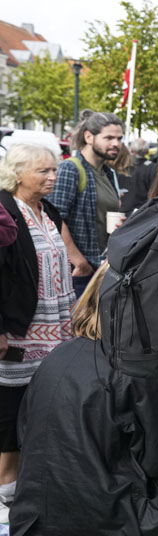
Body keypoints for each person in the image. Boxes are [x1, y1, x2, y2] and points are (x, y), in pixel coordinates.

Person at [9, 265, 158, 536]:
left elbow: (25, 434)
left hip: (36, 523)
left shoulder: (57, 355)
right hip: (112, 522)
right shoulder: (131, 367)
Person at [0, 144, 74, 509]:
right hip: (18, 332)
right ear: (17, 173)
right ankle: (5, 491)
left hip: (53, 329)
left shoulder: (47, 210)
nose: (52, 178)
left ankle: (30, 487)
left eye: (54, 171)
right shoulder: (5, 211)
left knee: (43, 405)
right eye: (43, 171)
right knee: (10, 411)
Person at [49, 111, 125, 298]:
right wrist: (79, 261)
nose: (115, 143)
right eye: (108, 137)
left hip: (103, 266)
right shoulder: (71, 168)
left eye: (119, 138)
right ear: (88, 137)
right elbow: (54, 218)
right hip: (80, 271)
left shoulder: (109, 173)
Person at [122, 138, 158, 213]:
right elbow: (154, 191)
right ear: (148, 151)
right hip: (142, 211)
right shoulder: (153, 168)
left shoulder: (121, 166)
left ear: (131, 150)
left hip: (122, 209)